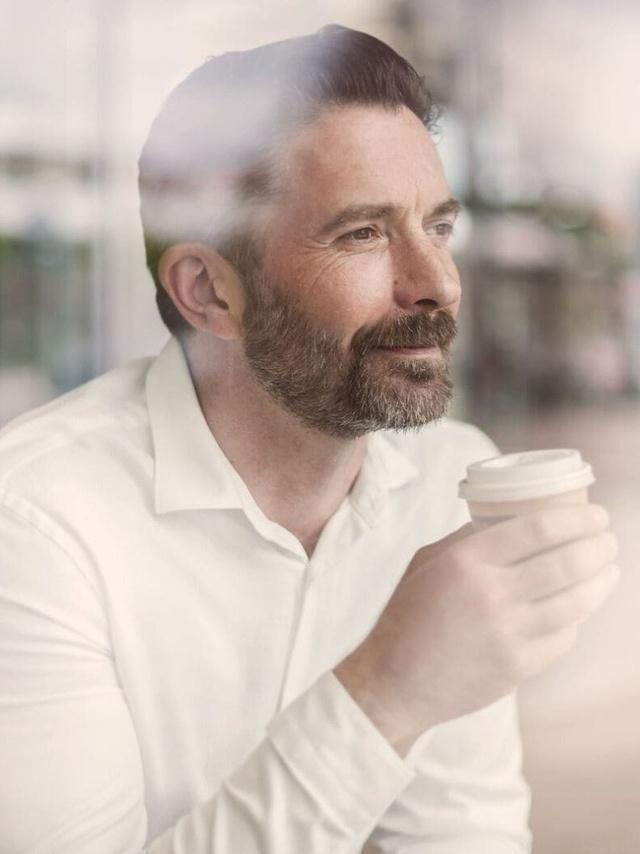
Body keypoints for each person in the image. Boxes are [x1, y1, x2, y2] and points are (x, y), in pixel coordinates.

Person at [0, 25, 618, 853]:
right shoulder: (35, 525)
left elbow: (458, 835)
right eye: (363, 234)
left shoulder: (452, 479)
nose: (437, 283)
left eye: (438, 227)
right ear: (208, 291)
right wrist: (390, 688)